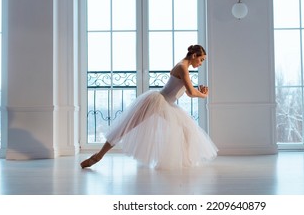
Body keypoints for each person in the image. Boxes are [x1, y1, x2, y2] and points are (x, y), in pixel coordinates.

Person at [80, 45, 218, 170]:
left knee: (187, 129)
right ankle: (98, 156)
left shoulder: (184, 68)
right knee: (127, 126)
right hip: (157, 102)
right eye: (201, 60)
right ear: (194, 56)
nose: (201, 63)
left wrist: (201, 93)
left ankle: (186, 160)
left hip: (167, 104)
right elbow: (192, 92)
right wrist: (204, 95)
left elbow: (188, 92)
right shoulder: (182, 67)